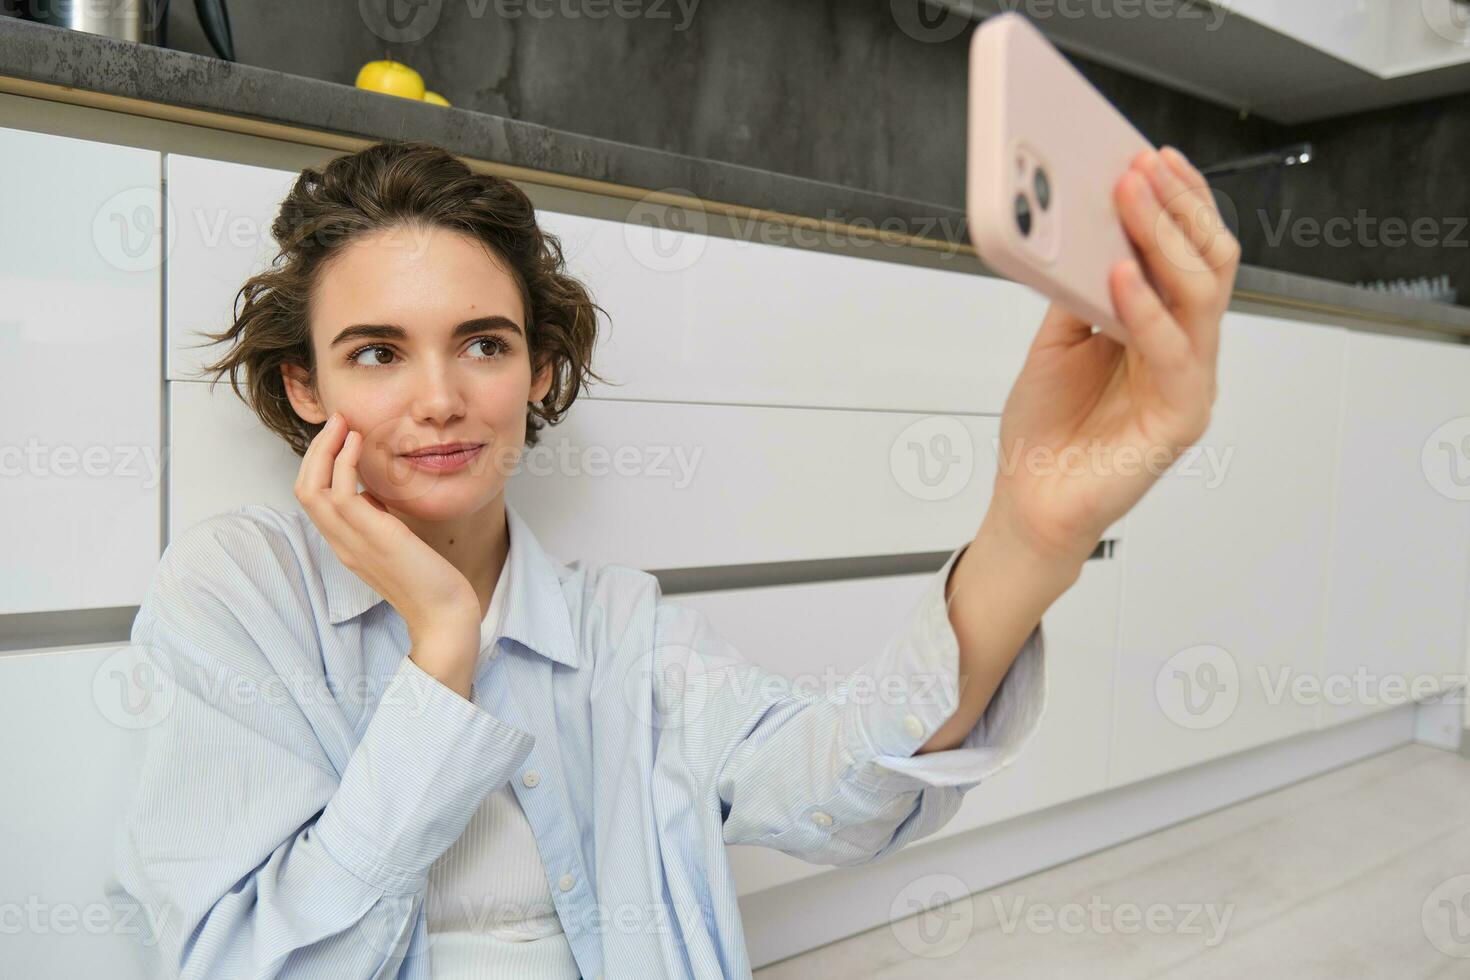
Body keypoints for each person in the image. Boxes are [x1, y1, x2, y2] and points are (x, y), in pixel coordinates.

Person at [108, 139, 1236, 979]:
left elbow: (835, 788)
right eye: (376, 352)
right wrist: (441, 653)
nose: (440, 397)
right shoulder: (234, 595)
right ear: (306, 387)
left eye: (484, 343)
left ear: (541, 370)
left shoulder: (616, 626)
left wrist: (1031, 532)